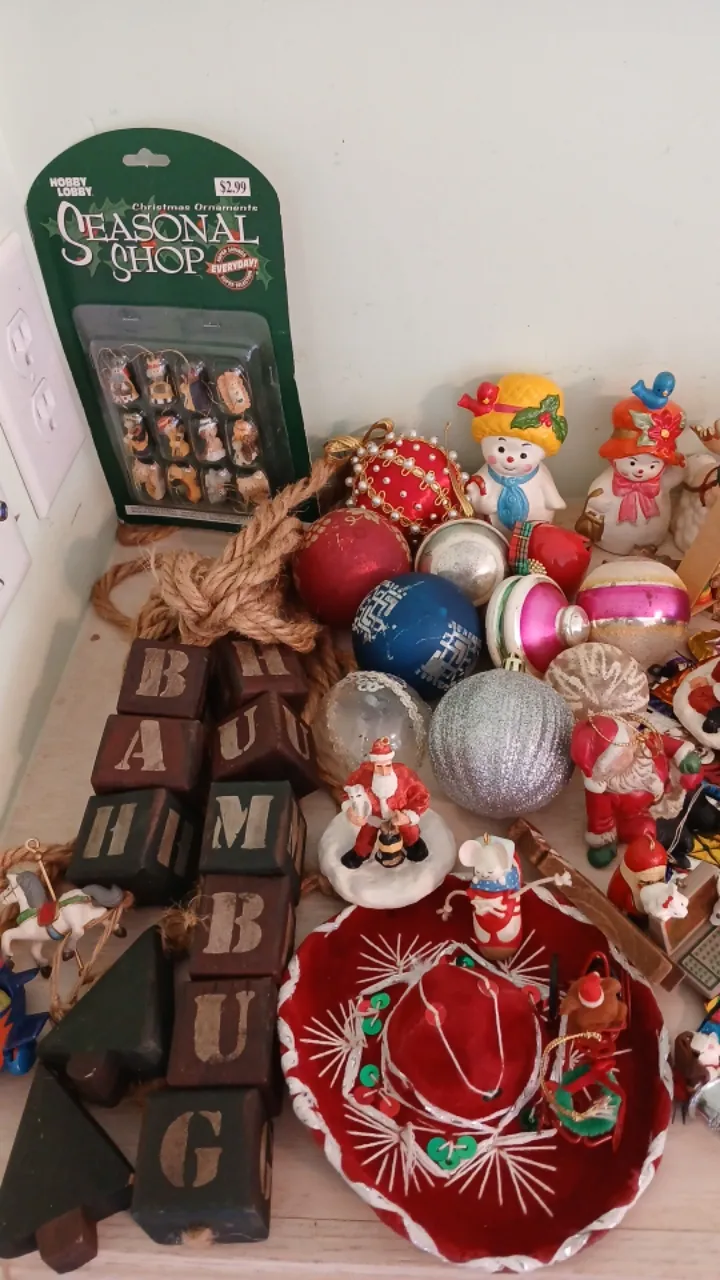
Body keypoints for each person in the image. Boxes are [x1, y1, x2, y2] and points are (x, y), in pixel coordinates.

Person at [340, 737, 430, 869]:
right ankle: (360, 853)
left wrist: (408, 816)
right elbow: (347, 793)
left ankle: (414, 845)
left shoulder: (404, 775)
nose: (383, 772)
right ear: (373, 765)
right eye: (379, 767)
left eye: (387, 766)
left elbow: (421, 795)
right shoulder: (361, 776)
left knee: (410, 832)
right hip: (373, 816)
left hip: (398, 815)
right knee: (365, 836)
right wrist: (351, 810)